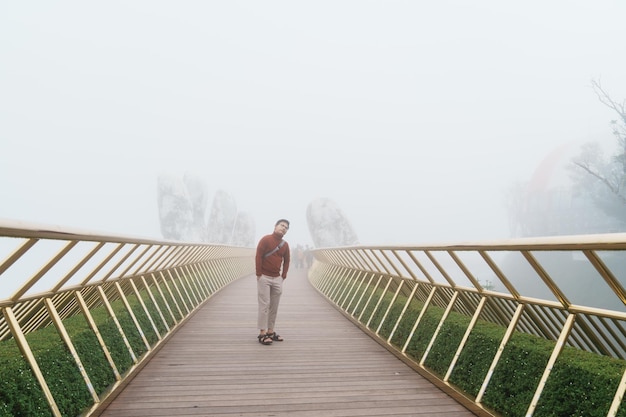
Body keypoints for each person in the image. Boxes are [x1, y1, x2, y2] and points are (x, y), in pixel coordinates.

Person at [255, 219, 290, 345]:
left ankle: (271, 331)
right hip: (264, 276)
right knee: (264, 305)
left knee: (274, 307)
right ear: (275, 226)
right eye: (282, 225)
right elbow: (258, 256)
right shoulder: (265, 239)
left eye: (286, 227)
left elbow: (287, 261)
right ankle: (262, 333)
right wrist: (259, 274)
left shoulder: (285, 245)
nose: (283, 228)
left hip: (277, 279)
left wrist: (283, 276)